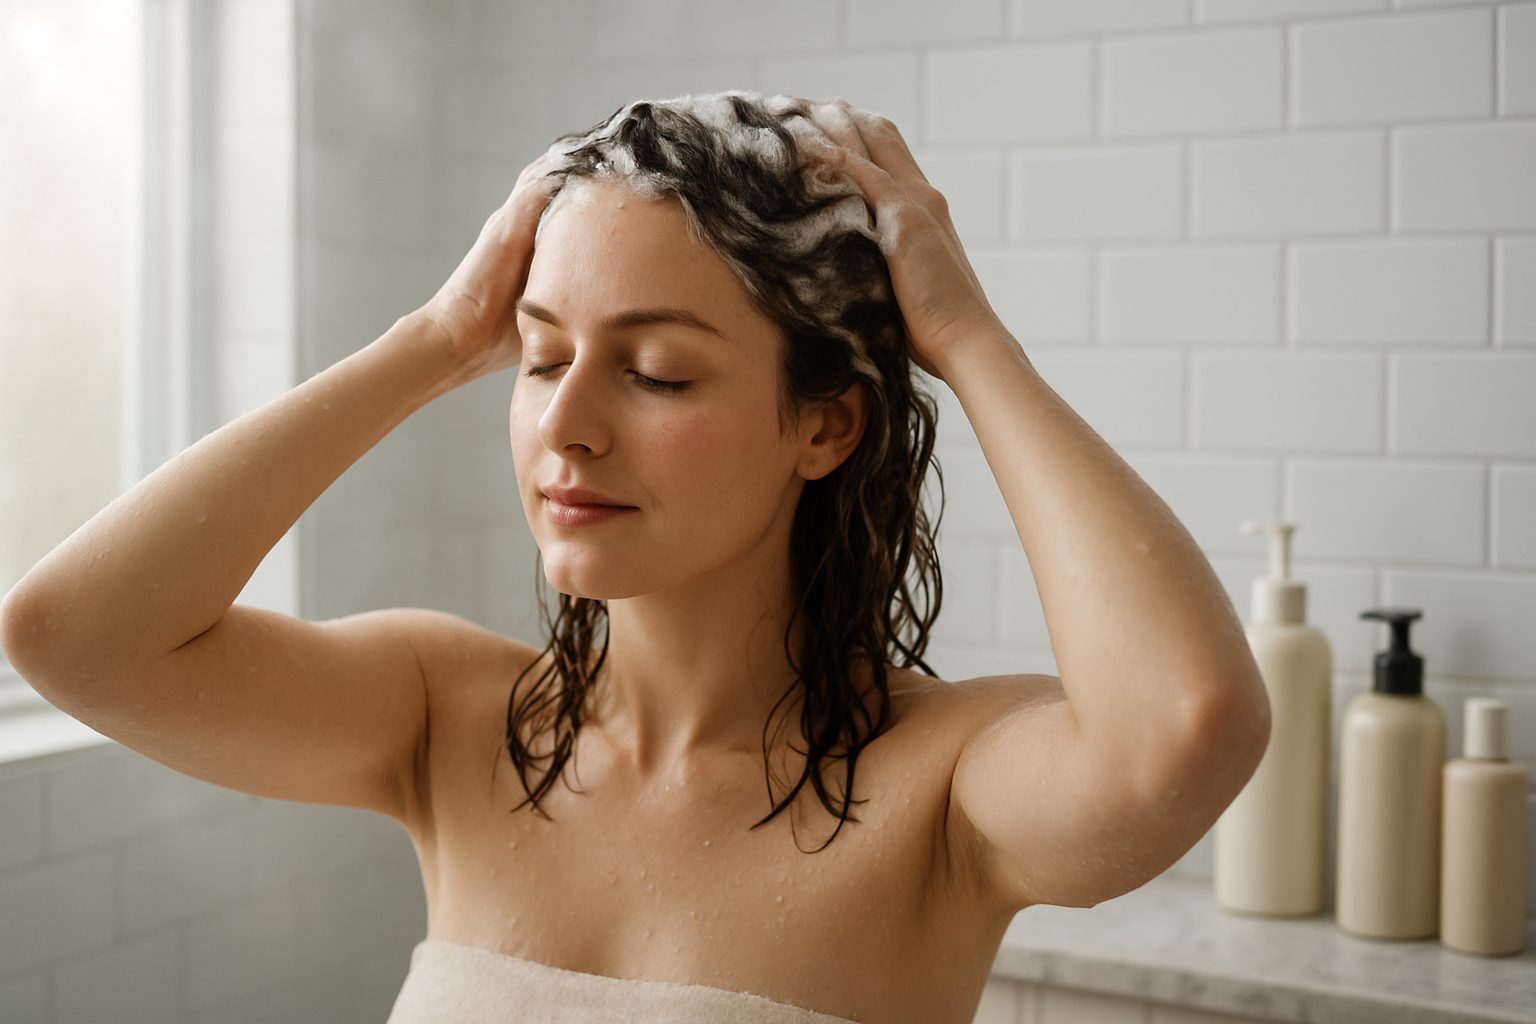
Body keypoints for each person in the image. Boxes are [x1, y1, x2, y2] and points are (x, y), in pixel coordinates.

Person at [0, 93, 1269, 1024]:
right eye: (542, 356)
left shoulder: (941, 790)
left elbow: (1188, 723)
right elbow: (71, 634)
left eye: (657, 370)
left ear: (825, 423)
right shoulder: (448, 717)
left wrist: (969, 338)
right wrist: (437, 338)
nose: (566, 423)